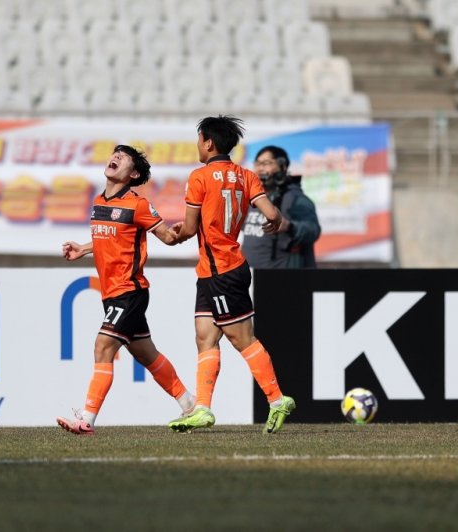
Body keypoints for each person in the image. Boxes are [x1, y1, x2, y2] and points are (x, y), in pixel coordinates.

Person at [167, 115, 295, 434]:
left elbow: (191, 227)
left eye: (199, 140)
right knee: (205, 336)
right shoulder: (247, 176)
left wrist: (174, 234)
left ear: (208, 143)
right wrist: (276, 222)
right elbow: (272, 214)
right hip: (218, 269)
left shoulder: (199, 177)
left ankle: (277, 399)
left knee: (242, 339)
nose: (198, 145)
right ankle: (203, 409)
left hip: (221, 269)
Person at [57, 145, 195, 435]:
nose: (115, 157)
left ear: (132, 174)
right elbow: (108, 238)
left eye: (124, 157)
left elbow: (168, 237)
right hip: (111, 293)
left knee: (103, 346)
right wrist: (83, 248)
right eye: (114, 154)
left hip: (130, 291)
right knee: (147, 355)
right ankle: (189, 404)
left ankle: (87, 419)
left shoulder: (139, 205)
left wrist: (185, 230)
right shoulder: (98, 201)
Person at [242, 146, 321, 268]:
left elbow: (313, 231)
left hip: (283, 279)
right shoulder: (254, 198)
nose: (260, 168)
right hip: (251, 279)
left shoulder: (296, 199)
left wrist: (289, 226)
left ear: (282, 166)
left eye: (266, 163)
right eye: (257, 164)